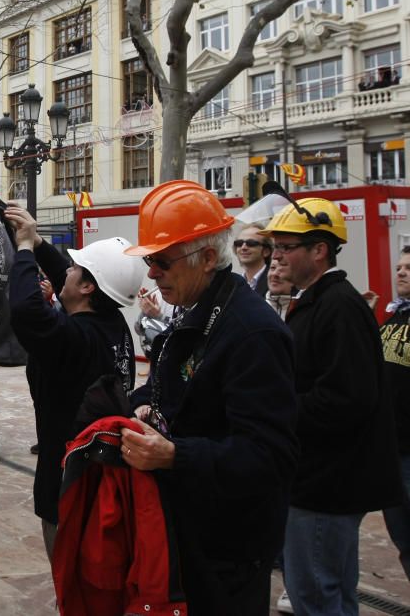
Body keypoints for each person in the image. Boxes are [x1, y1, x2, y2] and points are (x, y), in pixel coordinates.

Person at [121, 180, 299, 614]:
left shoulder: (251, 332)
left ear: (205, 259)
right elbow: (173, 388)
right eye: (149, 260)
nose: (151, 272)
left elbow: (269, 456)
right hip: (190, 535)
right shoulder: (199, 310)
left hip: (227, 552)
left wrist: (173, 455)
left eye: (161, 260)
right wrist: (144, 405)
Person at [262, 197, 403, 616]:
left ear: (319, 250)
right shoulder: (321, 300)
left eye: (287, 247)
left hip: (325, 485)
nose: (277, 256)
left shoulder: (337, 305)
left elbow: (347, 399)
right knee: (331, 595)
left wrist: (278, 411)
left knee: (316, 597)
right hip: (322, 481)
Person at [5, 206, 144, 559]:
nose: (64, 272)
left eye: (73, 269)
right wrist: (37, 243)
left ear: (86, 286)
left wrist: (22, 249)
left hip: (69, 486)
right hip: (100, 476)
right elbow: (76, 285)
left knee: (75, 583)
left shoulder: (73, 338)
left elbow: (25, 311)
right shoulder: (110, 323)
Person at [381, 245, 410, 582]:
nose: (400, 272)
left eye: (408, 268)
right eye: (399, 266)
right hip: (391, 448)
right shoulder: (394, 317)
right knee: (403, 538)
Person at [234, 225, 272, 296]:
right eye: (239, 243)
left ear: (266, 251)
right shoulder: (234, 283)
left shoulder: (275, 280)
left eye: (251, 243)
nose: (243, 247)